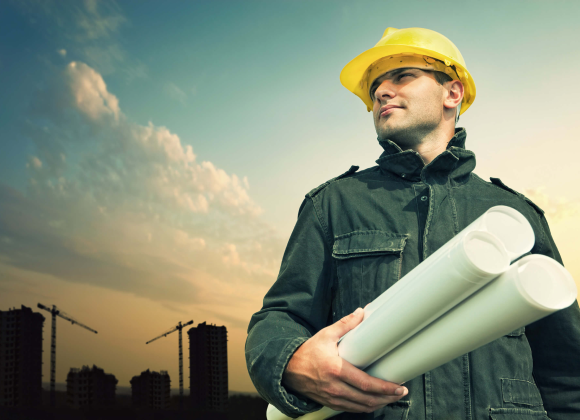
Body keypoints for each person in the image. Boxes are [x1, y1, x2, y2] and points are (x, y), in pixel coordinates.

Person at [245, 27, 580, 420]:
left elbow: (565, 375)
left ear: (452, 93)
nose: (382, 93)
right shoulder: (333, 204)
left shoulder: (515, 216)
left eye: (402, 76)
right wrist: (292, 361)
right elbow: (279, 318)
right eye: (375, 89)